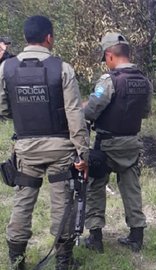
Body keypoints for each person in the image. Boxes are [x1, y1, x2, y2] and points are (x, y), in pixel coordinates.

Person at [0, 16, 89, 270]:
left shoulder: (5, 69)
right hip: (61, 150)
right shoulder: (62, 68)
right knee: (62, 204)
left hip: (26, 150)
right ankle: (64, 262)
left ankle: (16, 262)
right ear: (49, 37)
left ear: (26, 37)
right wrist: (83, 153)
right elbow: (75, 114)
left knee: (22, 203)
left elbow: (3, 109)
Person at [84, 32, 152, 253]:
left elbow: (92, 110)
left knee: (95, 187)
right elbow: (145, 113)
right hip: (132, 142)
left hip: (107, 145)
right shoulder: (144, 81)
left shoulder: (109, 80)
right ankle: (136, 236)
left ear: (109, 55)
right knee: (131, 188)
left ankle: (95, 239)